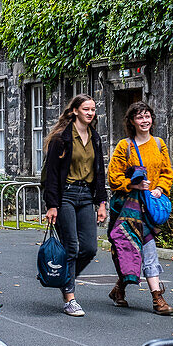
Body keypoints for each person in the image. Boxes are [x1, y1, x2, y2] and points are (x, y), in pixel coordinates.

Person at [41, 94, 108, 317]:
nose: (90, 113)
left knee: (89, 248)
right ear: (75, 111)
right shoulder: (61, 138)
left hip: (86, 196)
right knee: (71, 246)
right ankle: (70, 298)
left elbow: (99, 173)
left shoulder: (95, 138)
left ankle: (63, 278)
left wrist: (101, 202)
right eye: (86, 109)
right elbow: (50, 174)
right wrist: (52, 205)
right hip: (66, 196)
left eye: (93, 109)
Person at [106, 101, 173, 316]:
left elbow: (167, 172)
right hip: (127, 208)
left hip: (148, 207)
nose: (145, 121)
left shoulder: (159, 144)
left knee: (145, 248)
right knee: (130, 250)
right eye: (140, 117)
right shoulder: (124, 146)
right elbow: (113, 176)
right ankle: (154, 296)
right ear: (132, 121)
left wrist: (161, 188)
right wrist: (132, 185)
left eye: (147, 116)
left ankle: (128, 290)